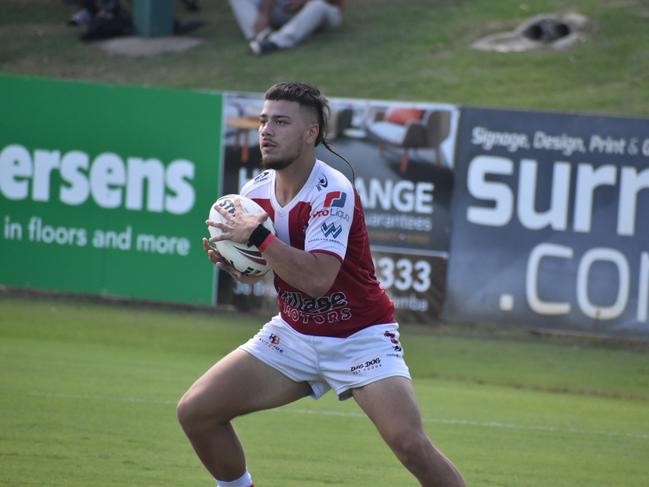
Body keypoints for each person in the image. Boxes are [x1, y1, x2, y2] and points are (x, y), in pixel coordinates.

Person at [176, 82, 465, 487]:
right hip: (295, 334)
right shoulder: (254, 193)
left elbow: (316, 279)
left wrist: (257, 238)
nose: (266, 131)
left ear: (311, 132)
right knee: (196, 412)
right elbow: (269, 268)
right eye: (263, 121)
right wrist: (241, 267)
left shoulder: (333, 192)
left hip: (360, 336)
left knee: (409, 444)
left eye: (280, 121)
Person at [228, 0, 344, 55]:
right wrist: (264, 14)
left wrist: (303, 2)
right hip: (284, 11)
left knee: (318, 5)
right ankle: (260, 36)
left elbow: (335, 2)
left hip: (322, 13)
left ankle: (275, 42)